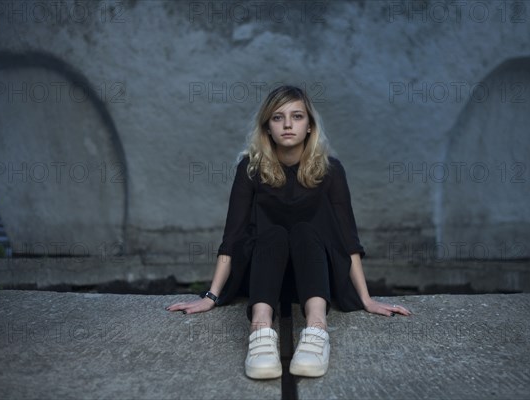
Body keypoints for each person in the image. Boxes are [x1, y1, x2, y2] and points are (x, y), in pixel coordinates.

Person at [167, 85, 411, 379]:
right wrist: (210, 295)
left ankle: (317, 329)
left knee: (305, 231)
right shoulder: (250, 169)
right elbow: (232, 236)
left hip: (316, 277)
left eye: (297, 116)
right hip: (263, 278)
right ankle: (260, 329)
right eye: (277, 117)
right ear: (267, 127)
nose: (287, 124)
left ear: (309, 126)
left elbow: (348, 239)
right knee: (273, 234)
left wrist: (367, 299)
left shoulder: (331, 170)